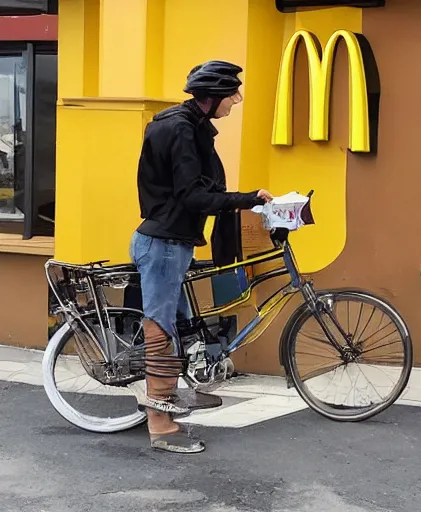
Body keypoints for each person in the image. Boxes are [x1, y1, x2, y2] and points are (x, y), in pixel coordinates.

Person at [129, 60, 272, 454]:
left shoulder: (186, 125)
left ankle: (167, 409)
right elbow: (192, 194)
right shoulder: (181, 129)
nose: (235, 102)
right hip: (163, 244)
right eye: (232, 96)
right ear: (213, 98)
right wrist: (247, 200)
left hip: (171, 241)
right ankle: (159, 426)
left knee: (173, 329)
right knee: (159, 331)